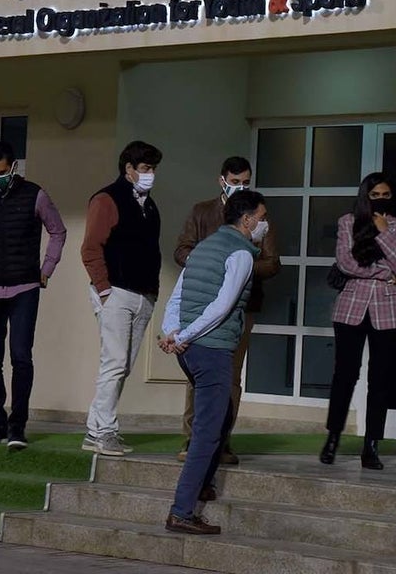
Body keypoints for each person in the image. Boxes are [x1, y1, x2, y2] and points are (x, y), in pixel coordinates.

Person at [159, 191, 270, 535]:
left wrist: (172, 331)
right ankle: (181, 512)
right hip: (211, 349)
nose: (265, 224)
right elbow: (223, 306)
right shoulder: (241, 254)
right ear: (247, 220)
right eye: (262, 217)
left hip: (190, 350)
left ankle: (203, 485)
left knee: (220, 417)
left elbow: (177, 295)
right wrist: (183, 334)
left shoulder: (203, 247)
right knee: (206, 433)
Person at [173, 156, 281, 465]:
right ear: (222, 180)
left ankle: (223, 440)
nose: (240, 187)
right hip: (201, 301)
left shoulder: (259, 215)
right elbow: (181, 250)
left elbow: (272, 262)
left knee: (230, 375)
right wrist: (212, 263)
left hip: (242, 306)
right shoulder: (202, 211)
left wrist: (239, 268)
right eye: (235, 182)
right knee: (198, 372)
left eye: (245, 182)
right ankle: (193, 437)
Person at [0, 141, 67, 450]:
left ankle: (17, 427)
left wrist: (47, 268)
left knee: (21, 356)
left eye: (2, 172)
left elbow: (58, 231)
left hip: (24, 288)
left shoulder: (36, 195)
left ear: (14, 167)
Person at [319, 172, 396, 470]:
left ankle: (371, 445)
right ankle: (332, 437)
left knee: (380, 379)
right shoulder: (348, 222)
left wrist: (383, 233)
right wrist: (386, 273)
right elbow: (347, 263)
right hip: (351, 307)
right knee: (345, 375)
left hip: (388, 310)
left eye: (386, 195)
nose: (381, 200)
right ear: (365, 197)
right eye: (375, 196)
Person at [79, 141, 163, 456]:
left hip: (143, 295)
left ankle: (95, 430)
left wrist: (153, 292)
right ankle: (104, 432)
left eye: (153, 169)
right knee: (114, 363)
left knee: (122, 366)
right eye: (145, 168)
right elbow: (91, 248)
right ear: (129, 169)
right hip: (116, 292)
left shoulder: (150, 206)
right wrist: (104, 290)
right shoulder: (107, 199)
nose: (151, 174)